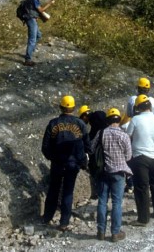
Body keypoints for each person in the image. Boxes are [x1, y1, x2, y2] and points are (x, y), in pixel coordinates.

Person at [41, 95, 89, 230]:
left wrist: (52, 157)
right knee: (68, 191)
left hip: (57, 163)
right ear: (73, 108)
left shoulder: (53, 123)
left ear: (61, 107)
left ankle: (47, 217)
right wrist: (82, 161)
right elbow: (87, 145)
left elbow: (45, 147)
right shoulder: (80, 124)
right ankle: (64, 222)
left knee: (53, 190)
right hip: (72, 164)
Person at [92, 108, 131, 242]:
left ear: (108, 120)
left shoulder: (101, 133)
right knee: (116, 203)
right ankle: (115, 233)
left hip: (104, 171)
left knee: (102, 201)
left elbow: (92, 148)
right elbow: (129, 155)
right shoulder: (124, 135)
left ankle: (101, 232)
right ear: (119, 120)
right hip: (119, 172)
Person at [125, 95, 154, 226]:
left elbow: (128, 137)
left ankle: (143, 218)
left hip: (140, 156)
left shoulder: (135, 119)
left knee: (141, 187)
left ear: (138, 107)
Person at [19, 0, 55, 66]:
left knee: (38, 35)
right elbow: (40, 10)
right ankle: (27, 60)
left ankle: (30, 52)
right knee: (32, 39)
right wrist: (50, 4)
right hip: (31, 20)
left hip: (31, 19)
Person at [79, 105, 108, 200]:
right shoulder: (98, 115)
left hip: (100, 145)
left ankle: (98, 192)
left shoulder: (93, 120)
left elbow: (93, 135)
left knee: (96, 167)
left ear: (84, 116)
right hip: (106, 142)